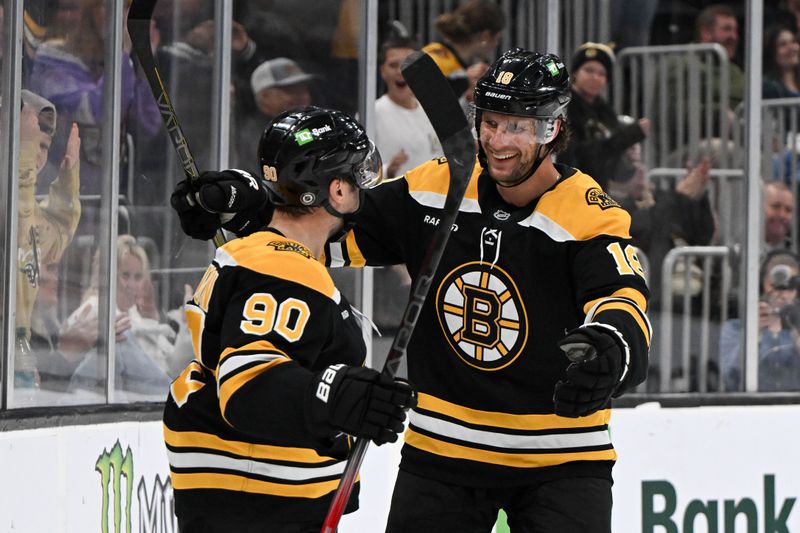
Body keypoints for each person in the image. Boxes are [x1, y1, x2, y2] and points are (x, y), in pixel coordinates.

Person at [174, 48, 651, 533]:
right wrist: (252, 201)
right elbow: (330, 223)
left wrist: (612, 353)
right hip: (442, 453)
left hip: (561, 460)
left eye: (516, 126)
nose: (498, 141)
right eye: (489, 123)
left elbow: (620, 302)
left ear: (552, 128)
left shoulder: (591, 214)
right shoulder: (440, 184)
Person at [164, 107, 415, 531]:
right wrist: (334, 396)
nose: (365, 187)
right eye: (357, 175)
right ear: (336, 191)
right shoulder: (282, 267)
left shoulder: (269, 255)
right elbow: (249, 387)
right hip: (256, 500)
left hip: (248, 499)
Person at [15, 90, 82, 392]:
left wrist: (69, 177)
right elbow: (16, 210)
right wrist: (23, 154)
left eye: (43, 146)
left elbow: (58, 233)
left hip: (18, 350)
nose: (38, 154)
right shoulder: (17, 202)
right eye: (29, 142)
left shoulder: (31, 212)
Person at [66, 235, 174, 400]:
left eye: (138, 277)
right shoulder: (96, 310)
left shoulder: (132, 313)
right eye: (125, 275)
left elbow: (157, 365)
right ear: (106, 274)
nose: (132, 285)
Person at [559, 42, 650, 190]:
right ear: (575, 73)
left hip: (599, 190)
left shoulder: (605, 111)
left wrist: (629, 162)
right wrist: (628, 136)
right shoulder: (564, 107)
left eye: (602, 74)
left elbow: (612, 163)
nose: (595, 77)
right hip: (573, 188)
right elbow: (579, 156)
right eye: (589, 70)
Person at [719, 250, 800, 391]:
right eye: (775, 284)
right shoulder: (735, 328)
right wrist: (752, 334)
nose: (782, 293)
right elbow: (730, 378)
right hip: (753, 408)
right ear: (762, 285)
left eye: (789, 286)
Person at [375, 36, 442, 179]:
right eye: (393, 65)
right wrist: (388, 170)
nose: (400, 72)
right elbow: (360, 170)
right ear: (382, 71)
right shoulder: (371, 113)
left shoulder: (435, 110)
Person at [236, 57, 316, 168]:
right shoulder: (254, 137)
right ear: (265, 96)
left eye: (303, 89)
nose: (303, 97)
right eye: (291, 90)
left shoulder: (311, 126)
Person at [422, 0, 505, 104]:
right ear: (486, 36)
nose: (496, 44)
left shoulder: (435, 50)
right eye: (497, 39)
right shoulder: (442, 67)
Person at [763, 23, 800, 98]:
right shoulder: (769, 87)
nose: (791, 48)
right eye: (783, 44)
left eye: (793, 41)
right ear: (772, 53)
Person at [763, 180, 794, 252]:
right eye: (776, 206)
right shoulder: (743, 252)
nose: (782, 215)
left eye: (788, 210)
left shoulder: (793, 257)